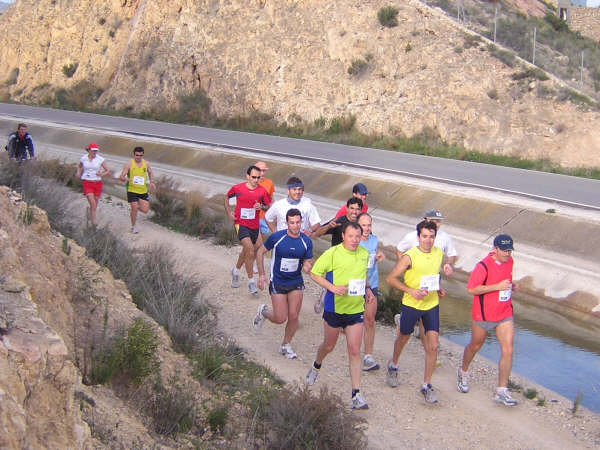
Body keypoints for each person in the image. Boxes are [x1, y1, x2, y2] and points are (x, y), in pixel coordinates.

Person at [305, 222, 376, 410]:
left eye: (357, 236)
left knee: (354, 350)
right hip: (334, 308)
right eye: (351, 236)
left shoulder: (363, 253)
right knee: (329, 345)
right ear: (343, 236)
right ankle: (316, 365)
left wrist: (368, 289)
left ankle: (356, 394)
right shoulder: (333, 253)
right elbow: (314, 273)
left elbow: (364, 275)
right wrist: (332, 288)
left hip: (355, 309)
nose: (354, 240)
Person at [385, 220, 445, 404]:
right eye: (425, 236)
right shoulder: (409, 257)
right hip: (411, 304)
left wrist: (439, 287)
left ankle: (426, 385)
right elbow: (390, 278)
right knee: (404, 337)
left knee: (433, 345)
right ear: (418, 237)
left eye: (431, 237)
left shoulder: (438, 253)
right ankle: (393, 365)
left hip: (431, 305)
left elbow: (435, 274)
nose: (428, 240)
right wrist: (411, 291)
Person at [458, 234, 519, 407]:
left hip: (504, 313)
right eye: (504, 250)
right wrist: (497, 287)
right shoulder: (483, 266)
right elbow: (471, 289)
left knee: (508, 349)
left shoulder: (510, 261)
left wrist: (512, 286)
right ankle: (463, 372)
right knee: (475, 346)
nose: (508, 253)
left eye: (510, 250)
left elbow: (506, 280)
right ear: (495, 249)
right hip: (484, 314)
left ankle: (501, 390)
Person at [252, 208, 313, 359]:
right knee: (280, 318)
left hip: (296, 282)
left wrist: (307, 265)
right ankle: (264, 312)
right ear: (287, 223)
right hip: (278, 281)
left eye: (298, 222)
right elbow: (260, 252)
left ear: (301, 222)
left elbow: (308, 259)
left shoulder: (306, 241)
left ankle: (285, 345)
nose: (295, 225)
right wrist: (261, 274)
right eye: (292, 223)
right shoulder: (277, 237)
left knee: (293, 316)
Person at [395, 209, 457, 338]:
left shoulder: (445, 237)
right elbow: (400, 249)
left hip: (433, 280)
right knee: (405, 332)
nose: (436, 223)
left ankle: (427, 338)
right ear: (425, 220)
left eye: (438, 221)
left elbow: (451, 254)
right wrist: (405, 267)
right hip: (415, 279)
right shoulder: (413, 235)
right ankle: (404, 322)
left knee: (428, 313)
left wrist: (448, 264)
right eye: (433, 220)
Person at [224, 165, 271, 295]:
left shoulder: (262, 191)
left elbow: (268, 206)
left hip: (254, 225)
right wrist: (229, 213)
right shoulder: (238, 188)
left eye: (258, 177)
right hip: (240, 223)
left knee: (248, 250)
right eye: (254, 177)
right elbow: (226, 197)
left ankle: (236, 270)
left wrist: (261, 206)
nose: (256, 180)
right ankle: (251, 282)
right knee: (250, 250)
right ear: (247, 176)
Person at [311, 197, 363, 313]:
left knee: (348, 291)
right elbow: (316, 234)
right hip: (335, 263)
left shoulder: (361, 223)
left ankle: (347, 316)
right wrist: (329, 226)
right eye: (352, 208)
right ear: (346, 208)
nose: (354, 212)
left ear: (361, 210)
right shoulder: (339, 221)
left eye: (357, 209)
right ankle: (324, 300)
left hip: (354, 263)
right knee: (334, 290)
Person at [357, 213, 385, 371]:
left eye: (369, 225)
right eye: (363, 225)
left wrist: (380, 256)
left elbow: (374, 256)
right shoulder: (353, 242)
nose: (366, 229)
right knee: (352, 321)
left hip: (372, 285)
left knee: (369, 320)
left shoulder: (374, 240)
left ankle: (368, 356)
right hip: (356, 285)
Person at [119, 146, 156, 234]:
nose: (138, 157)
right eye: (137, 155)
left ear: (143, 155)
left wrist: (152, 182)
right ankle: (133, 227)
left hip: (143, 190)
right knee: (134, 208)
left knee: (145, 210)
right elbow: (121, 177)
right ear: (134, 154)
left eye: (140, 155)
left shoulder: (146, 163)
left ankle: (134, 208)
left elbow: (150, 172)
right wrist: (128, 179)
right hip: (132, 190)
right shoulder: (129, 164)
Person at [76, 143, 109, 227]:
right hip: (87, 182)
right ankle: (94, 222)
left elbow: (107, 170)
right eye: (93, 150)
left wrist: (102, 174)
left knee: (94, 204)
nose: (95, 152)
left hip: (97, 183)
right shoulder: (83, 158)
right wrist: (78, 173)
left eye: (96, 151)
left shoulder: (100, 159)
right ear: (89, 150)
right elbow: (79, 166)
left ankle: (90, 216)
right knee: (93, 203)